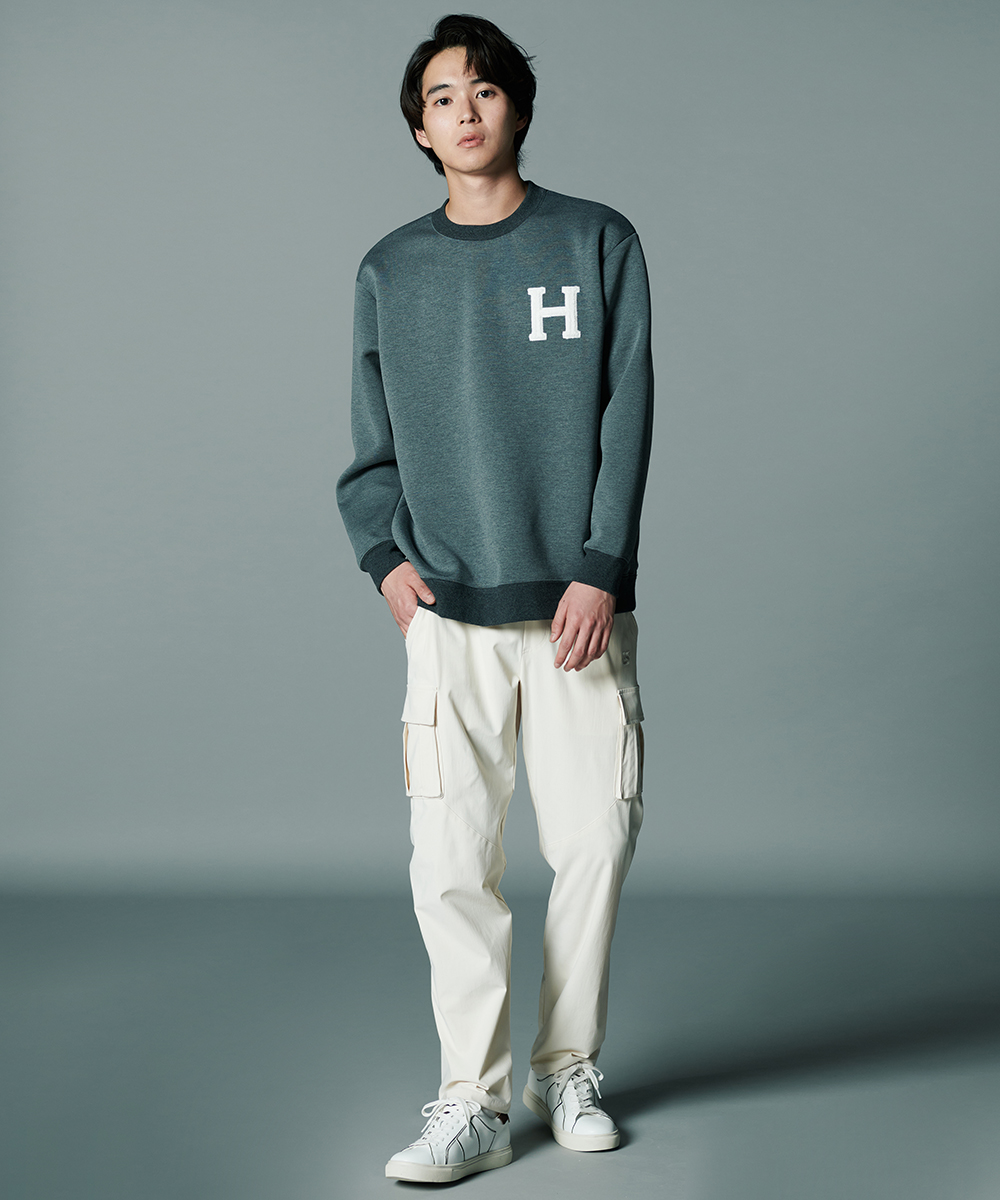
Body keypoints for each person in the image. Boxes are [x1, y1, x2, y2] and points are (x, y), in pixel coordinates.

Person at [336, 13, 653, 1184]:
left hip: (575, 608)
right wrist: (383, 557)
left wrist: (600, 566)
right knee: (449, 863)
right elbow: (368, 444)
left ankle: (565, 1069)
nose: (463, 111)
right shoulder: (390, 269)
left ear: (516, 105)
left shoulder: (595, 239)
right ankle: (470, 1101)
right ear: (420, 131)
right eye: (439, 98)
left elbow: (627, 412)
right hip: (450, 617)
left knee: (595, 840)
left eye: (481, 89)